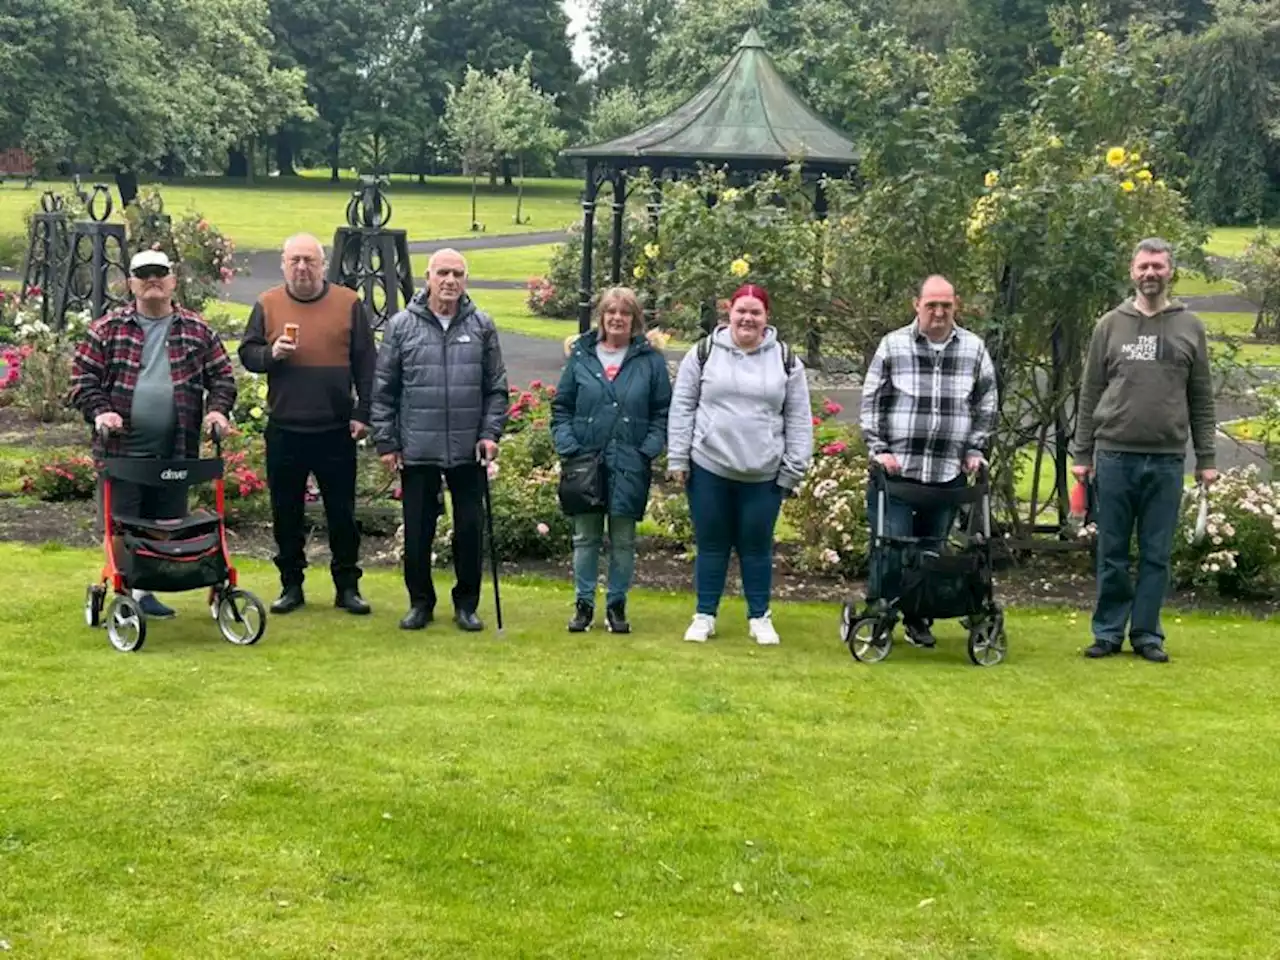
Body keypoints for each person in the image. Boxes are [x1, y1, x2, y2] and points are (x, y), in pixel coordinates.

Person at [1071, 238, 1217, 663]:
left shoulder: (1191, 327)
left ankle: (1147, 635)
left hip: (1168, 459)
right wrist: (1082, 456)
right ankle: (1108, 632)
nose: (1150, 273)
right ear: (1132, 272)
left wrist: (1206, 459)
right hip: (1114, 455)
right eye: (1143, 267)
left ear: (1170, 271)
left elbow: (1202, 398)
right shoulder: (1109, 326)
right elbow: (1089, 393)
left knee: (1156, 553)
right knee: (1112, 551)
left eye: (1158, 266)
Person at [68, 249, 236, 620]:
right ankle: (123, 592)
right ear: (131, 283)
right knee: (121, 523)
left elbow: (223, 377)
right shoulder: (106, 329)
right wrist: (101, 411)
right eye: (143, 275)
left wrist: (217, 410)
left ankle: (144, 592)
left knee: (165, 523)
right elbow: (82, 380)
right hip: (121, 447)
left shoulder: (197, 330)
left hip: (176, 447)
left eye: (160, 273)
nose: (152, 281)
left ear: (173, 281)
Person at [238, 233, 377, 616]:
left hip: (335, 428)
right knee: (286, 512)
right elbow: (247, 354)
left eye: (310, 261)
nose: (302, 268)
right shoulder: (268, 303)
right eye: (295, 260)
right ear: (284, 264)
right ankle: (291, 585)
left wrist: (363, 413)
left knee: (343, 513)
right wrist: (272, 354)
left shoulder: (348, 303)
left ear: (322, 264)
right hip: (286, 426)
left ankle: (347, 586)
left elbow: (367, 364)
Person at [667, 283, 813, 645]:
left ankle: (760, 617)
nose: (747, 318)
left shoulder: (786, 360)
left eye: (756, 312)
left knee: (757, 545)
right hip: (709, 467)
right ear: (729, 312)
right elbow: (683, 406)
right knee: (712, 544)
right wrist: (678, 457)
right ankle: (704, 615)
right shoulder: (702, 353)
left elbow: (798, 416)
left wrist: (794, 467)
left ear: (766, 317)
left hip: (763, 473)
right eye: (741, 311)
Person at [371, 249, 509, 632]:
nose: (450, 280)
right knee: (418, 531)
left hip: (469, 449)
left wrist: (489, 434)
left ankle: (467, 604)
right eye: (443, 273)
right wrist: (387, 442)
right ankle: (420, 603)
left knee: (469, 529)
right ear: (428, 277)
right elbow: (384, 390)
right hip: (418, 446)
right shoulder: (401, 326)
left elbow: (496, 389)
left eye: (458, 273)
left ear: (465, 280)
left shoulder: (482, 325)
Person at [858, 274, 998, 648]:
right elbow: (873, 401)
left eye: (946, 306)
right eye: (931, 305)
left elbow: (986, 403)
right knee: (892, 550)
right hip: (898, 473)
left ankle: (919, 619)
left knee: (931, 553)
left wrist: (974, 449)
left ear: (956, 307)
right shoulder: (893, 345)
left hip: (946, 475)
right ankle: (880, 615)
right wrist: (878, 448)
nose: (939, 312)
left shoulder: (973, 349)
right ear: (916, 305)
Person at [551, 286, 672, 634]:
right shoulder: (581, 357)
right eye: (611, 312)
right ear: (601, 317)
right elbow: (562, 406)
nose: (617, 318)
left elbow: (662, 411)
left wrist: (647, 448)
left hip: (629, 460)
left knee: (623, 540)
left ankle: (617, 606)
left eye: (625, 313)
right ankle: (584, 604)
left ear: (635, 320)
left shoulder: (649, 362)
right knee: (585, 538)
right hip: (585, 461)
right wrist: (569, 445)